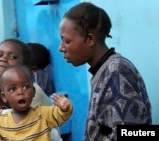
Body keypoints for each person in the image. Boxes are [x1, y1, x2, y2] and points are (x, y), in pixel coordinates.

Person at [59, 2, 152, 140]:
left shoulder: (117, 71)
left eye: (67, 41)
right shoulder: (105, 71)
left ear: (90, 39)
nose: (61, 48)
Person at [0, 39, 62, 141]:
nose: (3, 59)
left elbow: (32, 133)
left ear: (25, 67)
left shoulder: (32, 92)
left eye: (13, 57)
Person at [0, 65, 73, 140]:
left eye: (25, 87)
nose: (21, 92)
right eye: (13, 89)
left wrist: (65, 108)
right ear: (4, 97)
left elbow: (61, 116)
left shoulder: (43, 113)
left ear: (33, 92)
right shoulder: (1, 120)